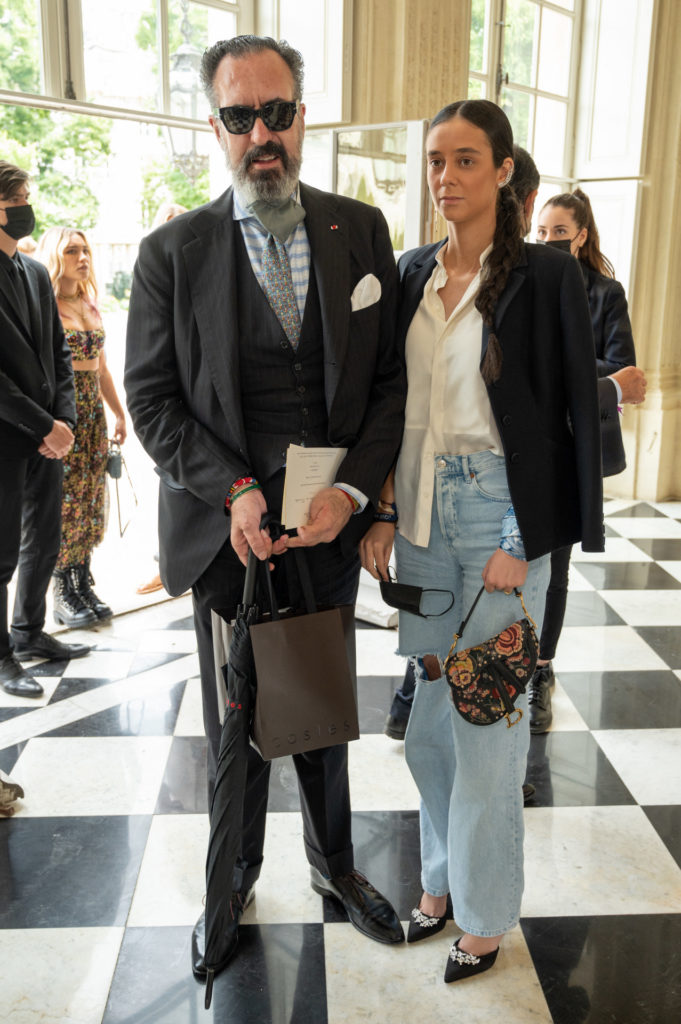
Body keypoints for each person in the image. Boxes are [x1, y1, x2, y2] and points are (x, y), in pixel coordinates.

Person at [124, 34, 406, 978]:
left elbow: (388, 386)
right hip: (227, 538)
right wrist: (236, 489)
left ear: (301, 115)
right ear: (216, 127)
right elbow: (154, 401)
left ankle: (334, 866)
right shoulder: (172, 251)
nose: (261, 135)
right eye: (240, 117)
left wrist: (355, 496)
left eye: (276, 113)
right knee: (234, 725)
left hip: (325, 528)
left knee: (322, 711)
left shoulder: (360, 230)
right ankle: (229, 880)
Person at [361, 100, 603, 984]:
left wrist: (521, 537)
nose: (445, 177)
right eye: (435, 160)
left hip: (498, 515)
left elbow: (561, 419)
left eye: (466, 160)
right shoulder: (411, 271)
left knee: (489, 727)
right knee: (426, 725)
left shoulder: (543, 276)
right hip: (421, 515)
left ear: (503, 172)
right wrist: (382, 510)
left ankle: (486, 912)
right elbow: (394, 406)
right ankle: (439, 882)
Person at [528, 187, 641, 732]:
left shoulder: (604, 293)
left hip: (576, 449)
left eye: (559, 232)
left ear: (583, 236)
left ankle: (540, 675)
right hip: (526, 447)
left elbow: (625, 370)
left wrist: (564, 366)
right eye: (541, 231)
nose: (548, 241)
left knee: (554, 569)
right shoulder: (525, 283)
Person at [0, 161, 91, 699]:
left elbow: (58, 354)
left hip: (47, 434)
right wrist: (43, 425)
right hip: (7, 436)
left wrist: (66, 421)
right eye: (19, 200)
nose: (27, 207)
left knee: (45, 540)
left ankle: (30, 633)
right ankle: (2, 658)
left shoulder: (34, 272)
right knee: (2, 552)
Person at [36, 227, 127, 628]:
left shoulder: (89, 303)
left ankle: (81, 579)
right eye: (71, 250)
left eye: (85, 249)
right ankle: (62, 590)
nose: (82, 256)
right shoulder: (45, 304)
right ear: (56, 256)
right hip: (64, 411)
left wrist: (120, 414)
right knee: (65, 500)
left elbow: (101, 368)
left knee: (91, 499)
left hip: (93, 412)